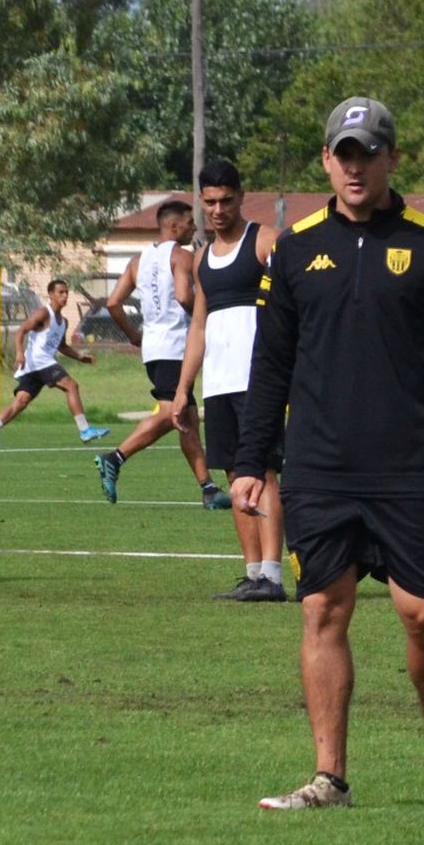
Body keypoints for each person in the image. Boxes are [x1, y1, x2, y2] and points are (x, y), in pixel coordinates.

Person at [231, 95, 424, 813]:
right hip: (321, 467)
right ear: (327, 161)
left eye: (368, 152)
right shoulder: (294, 248)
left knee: (423, 613)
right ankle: (329, 777)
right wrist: (249, 460)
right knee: (322, 612)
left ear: (393, 157)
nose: (355, 166)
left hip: (407, 468)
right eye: (343, 153)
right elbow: (270, 365)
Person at [171, 160, 285, 601]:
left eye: (226, 200)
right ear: (202, 203)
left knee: (266, 473)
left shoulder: (265, 242)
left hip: (261, 382)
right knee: (236, 474)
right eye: (210, 202)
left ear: (241, 197)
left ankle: (273, 575)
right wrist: (183, 389)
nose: (218, 210)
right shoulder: (202, 260)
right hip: (219, 384)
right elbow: (198, 327)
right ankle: (253, 573)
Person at [93, 200, 231, 510]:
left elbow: (114, 303)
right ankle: (114, 458)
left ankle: (208, 489)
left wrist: (134, 336)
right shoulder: (181, 256)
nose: (195, 227)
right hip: (174, 347)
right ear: (173, 226)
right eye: (189, 223)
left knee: (188, 419)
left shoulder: (138, 261)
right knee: (174, 414)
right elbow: (184, 296)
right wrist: (207, 314)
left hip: (154, 348)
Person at [0, 278, 110, 447]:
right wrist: (19, 353)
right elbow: (21, 331)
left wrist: (80, 357)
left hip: (37, 366)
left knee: (21, 402)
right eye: (60, 292)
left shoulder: (63, 322)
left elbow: (61, 346)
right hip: (39, 360)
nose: (64, 295)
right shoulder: (43, 313)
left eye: (66, 292)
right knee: (71, 386)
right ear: (51, 295)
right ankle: (85, 430)